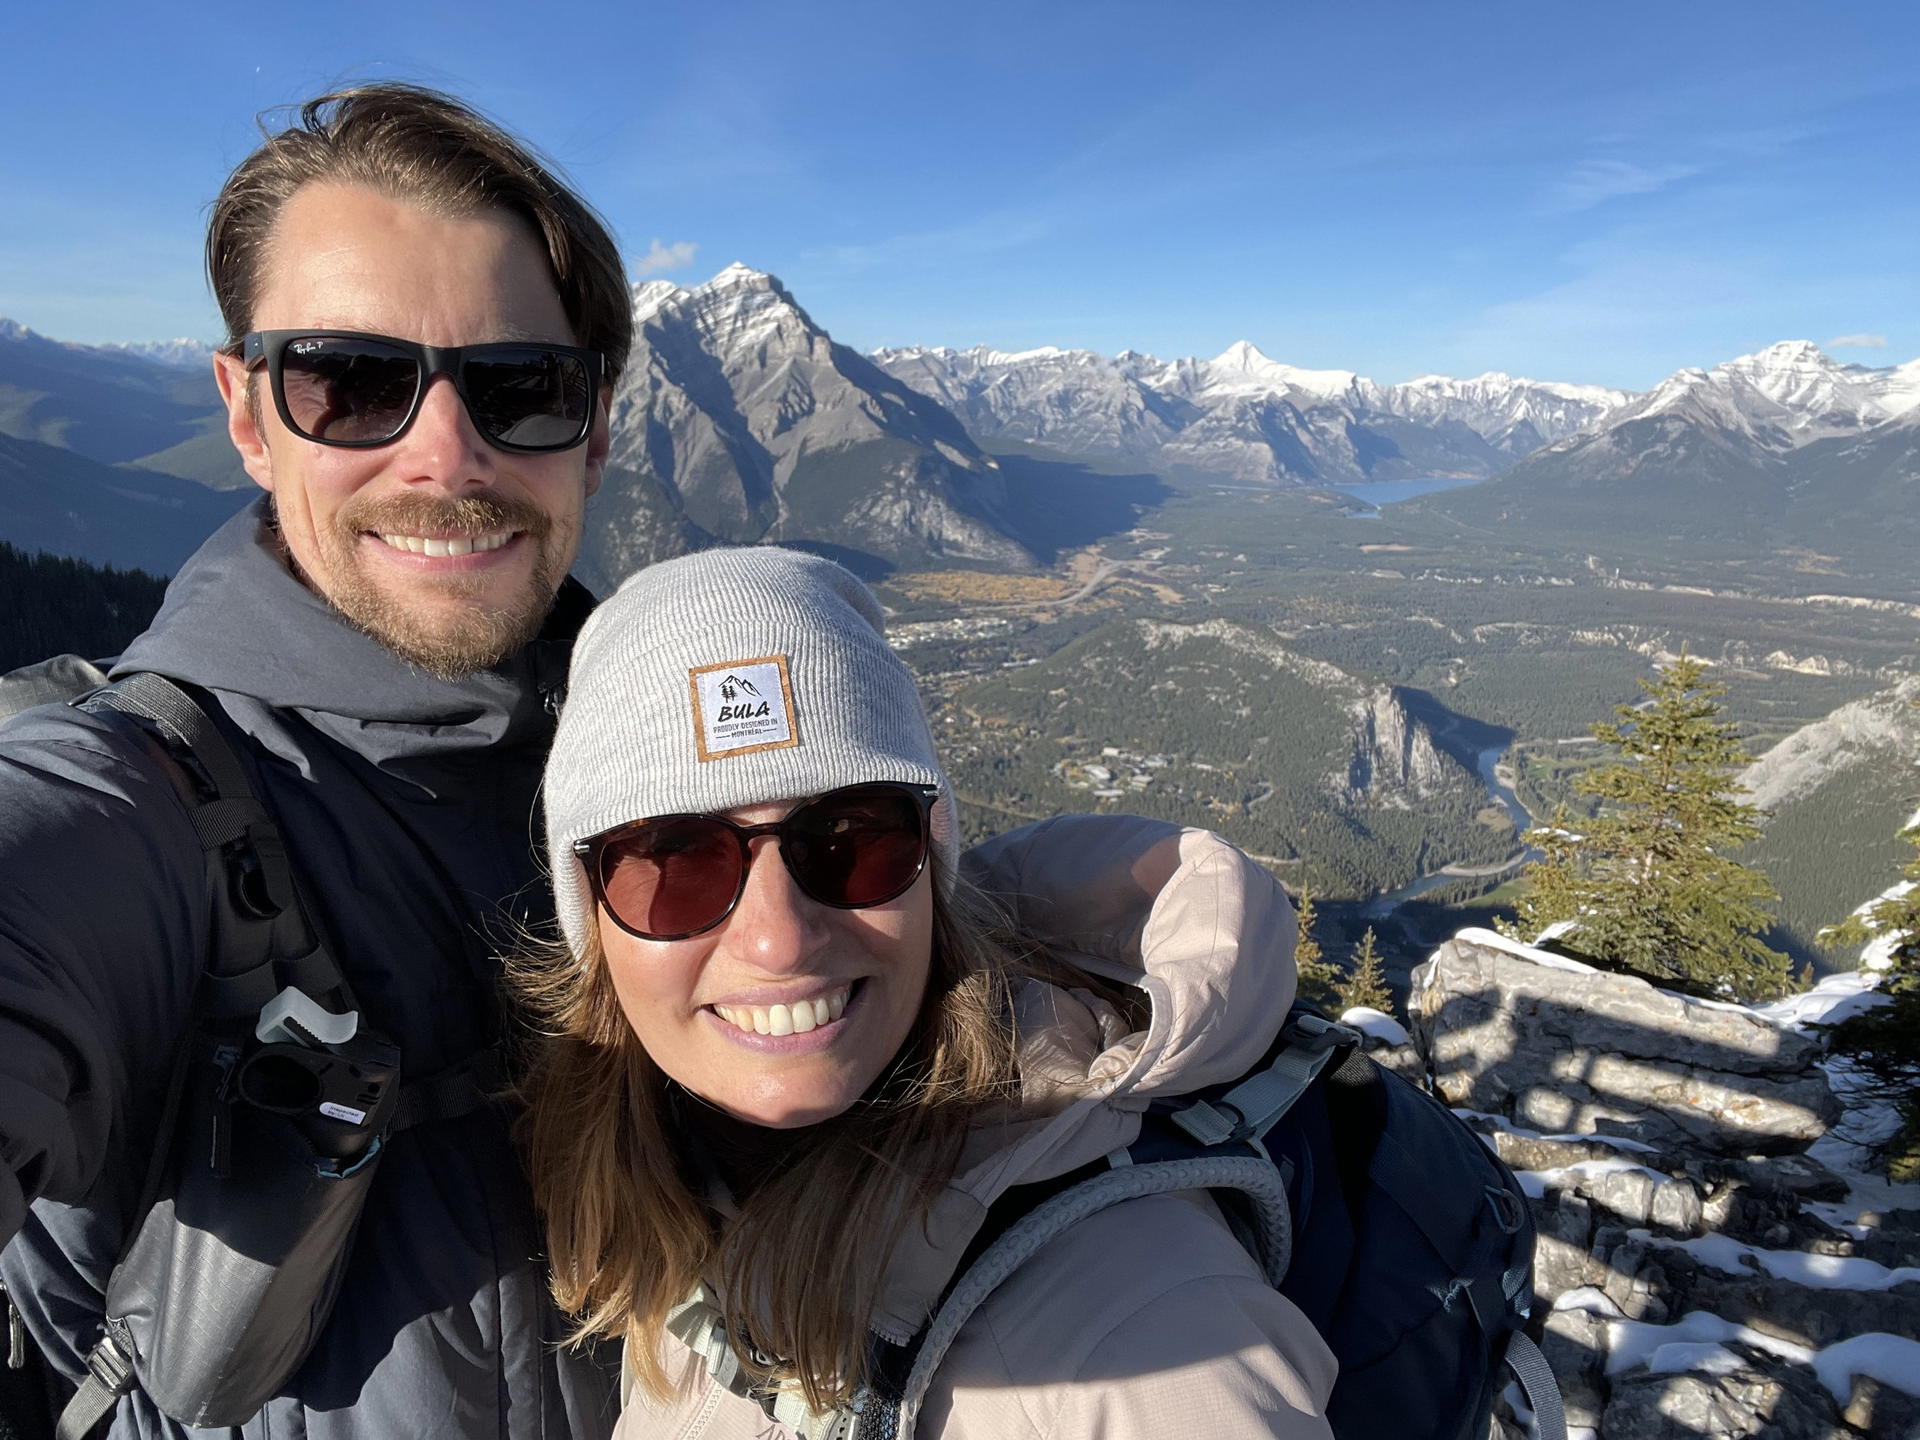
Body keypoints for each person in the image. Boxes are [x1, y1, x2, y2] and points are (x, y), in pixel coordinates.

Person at [0, 85, 630, 1438]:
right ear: (246, 411)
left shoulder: (673, 782)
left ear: (598, 424)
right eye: (350, 383)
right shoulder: (142, 819)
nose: (444, 456)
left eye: (521, 387)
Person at [518, 545, 1338, 1439]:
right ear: (589, 918)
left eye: (853, 839)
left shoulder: (1133, 1335)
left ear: (931, 866)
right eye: (676, 863)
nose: (777, 936)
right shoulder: (681, 1194)